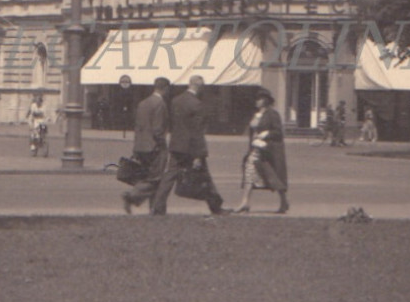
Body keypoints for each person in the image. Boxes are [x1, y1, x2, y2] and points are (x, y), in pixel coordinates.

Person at [151, 75, 226, 216]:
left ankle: (158, 207)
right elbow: (197, 131)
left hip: (176, 145)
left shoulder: (175, 101)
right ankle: (216, 207)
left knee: (169, 176)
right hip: (191, 148)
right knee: (205, 177)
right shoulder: (197, 104)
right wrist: (199, 155)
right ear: (199, 86)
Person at [233, 89, 289, 213]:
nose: (256, 101)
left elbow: (278, 131)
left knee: (274, 175)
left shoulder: (272, 114)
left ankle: (283, 201)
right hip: (255, 149)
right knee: (249, 171)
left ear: (265, 100)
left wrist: (265, 134)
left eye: (259, 99)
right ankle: (245, 202)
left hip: (267, 150)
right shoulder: (257, 114)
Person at [121, 77, 170, 213]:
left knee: (150, 177)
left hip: (141, 146)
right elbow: (158, 129)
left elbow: (138, 126)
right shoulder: (160, 104)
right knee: (156, 178)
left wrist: (136, 147)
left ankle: (155, 209)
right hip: (154, 147)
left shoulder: (143, 103)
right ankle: (132, 196)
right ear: (165, 88)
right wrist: (163, 145)